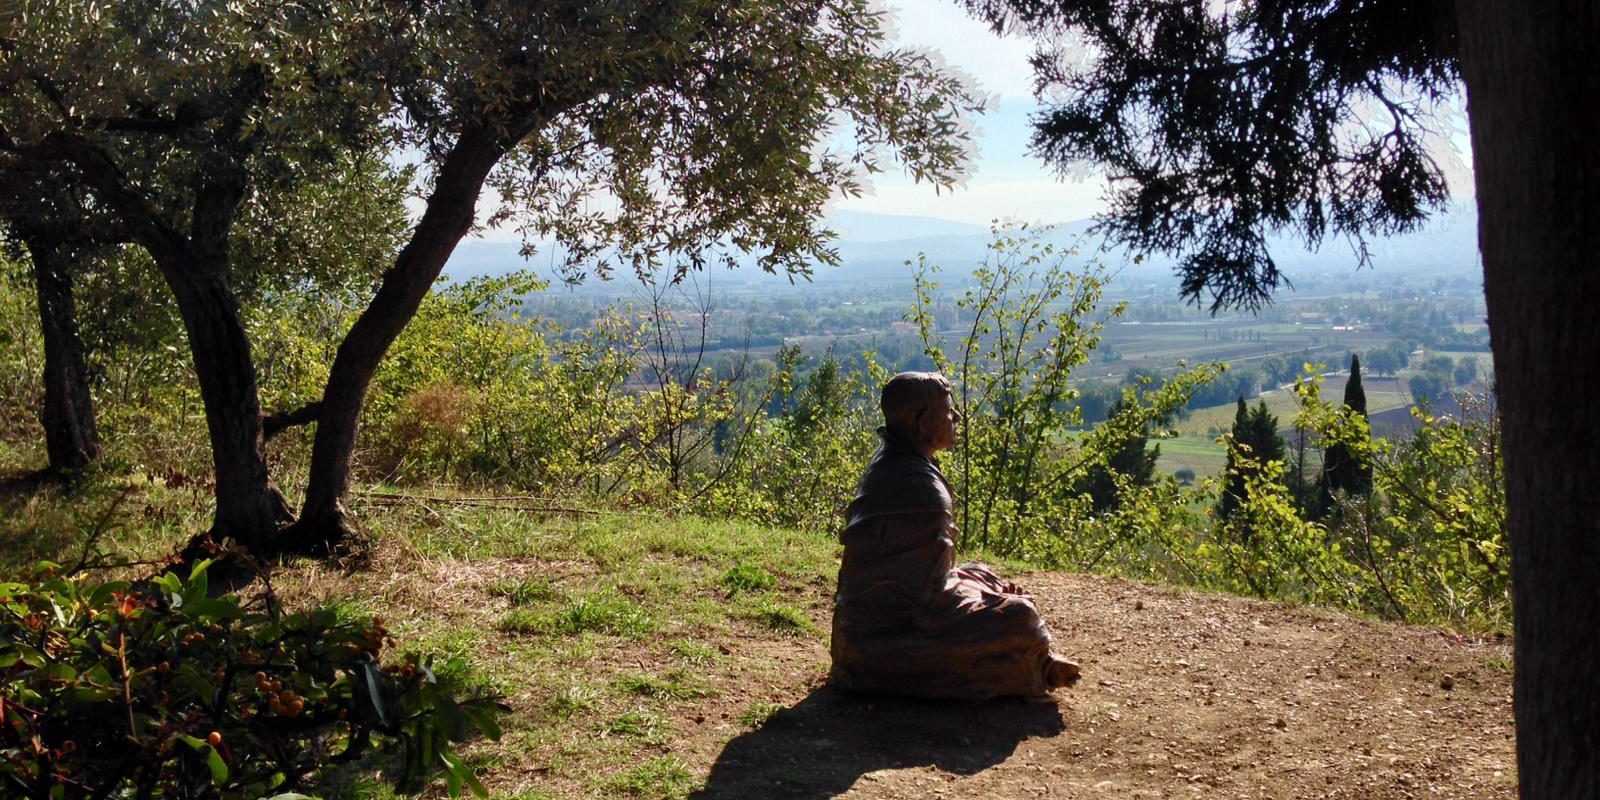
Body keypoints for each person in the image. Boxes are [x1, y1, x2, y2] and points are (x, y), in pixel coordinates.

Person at [829, 371, 1081, 700]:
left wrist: (982, 591)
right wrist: (998, 606)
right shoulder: (919, 488)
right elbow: (928, 605)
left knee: (980, 573)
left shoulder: (894, 465)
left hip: (861, 628)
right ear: (922, 421)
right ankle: (1039, 666)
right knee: (1021, 616)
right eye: (948, 410)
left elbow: (927, 575)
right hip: (886, 638)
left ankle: (1039, 660)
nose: (956, 417)